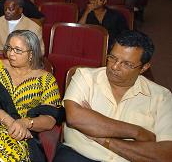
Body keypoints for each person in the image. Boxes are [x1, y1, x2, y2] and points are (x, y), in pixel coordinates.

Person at [54, 30, 172, 162]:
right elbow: (75, 118)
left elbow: (166, 154)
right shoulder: (85, 77)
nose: (115, 66)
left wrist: (104, 139)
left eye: (127, 64)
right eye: (112, 58)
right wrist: (137, 132)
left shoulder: (162, 97)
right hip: (79, 156)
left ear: (144, 67)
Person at [0, 30, 63, 161]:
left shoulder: (46, 80)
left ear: (31, 54)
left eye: (18, 50)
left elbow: (50, 119)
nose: (11, 53)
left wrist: (26, 123)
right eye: (9, 48)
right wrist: (13, 124)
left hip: (23, 134)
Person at [0, 0, 45, 105]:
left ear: (20, 10)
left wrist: (18, 58)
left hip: (21, 63)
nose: (7, 11)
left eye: (11, 9)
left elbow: (39, 51)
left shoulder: (33, 27)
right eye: (5, 9)